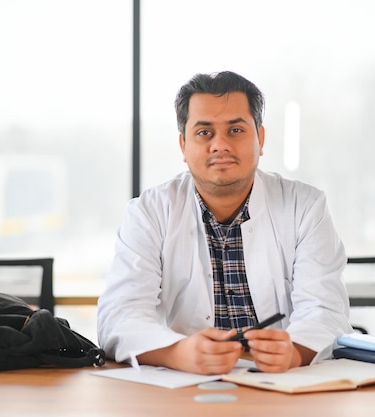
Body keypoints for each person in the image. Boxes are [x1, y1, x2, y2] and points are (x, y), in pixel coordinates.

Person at [97, 71, 352, 375]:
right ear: (183, 146)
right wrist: (178, 353)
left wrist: (294, 353)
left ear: (260, 139)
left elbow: (325, 311)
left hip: (284, 385)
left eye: (235, 130)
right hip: (182, 387)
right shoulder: (149, 212)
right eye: (204, 133)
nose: (220, 145)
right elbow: (119, 315)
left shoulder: (305, 206)